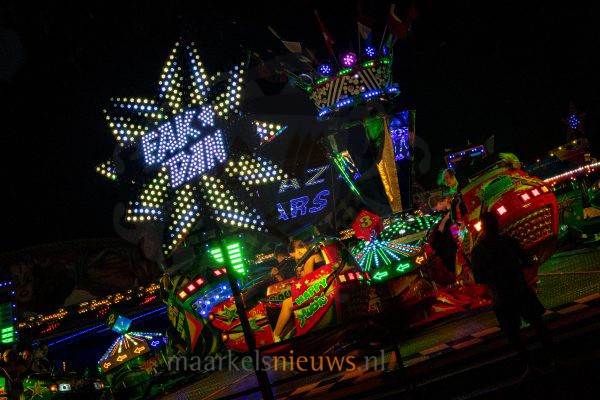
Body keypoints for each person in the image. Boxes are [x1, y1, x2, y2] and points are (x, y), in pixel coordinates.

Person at [471, 212, 554, 375]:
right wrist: (514, 268)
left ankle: (529, 365)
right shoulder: (509, 242)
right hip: (520, 290)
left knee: (513, 334)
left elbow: (479, 277)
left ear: (483, 228)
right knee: (538, 324)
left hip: (501, 297)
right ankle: (551, 358)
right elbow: (527, 261)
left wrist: (495, 274)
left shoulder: (478, 251)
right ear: (497, 224)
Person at [272, 240, 325, 342]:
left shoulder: (310, 258)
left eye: (294, 256)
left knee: (287, 304)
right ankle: (285, 334)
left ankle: (275, 336)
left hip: (317, 290)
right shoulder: (315, 255)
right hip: (320, 287)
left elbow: (307, 279)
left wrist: (300, 271)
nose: (296, 259)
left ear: (298, 251)